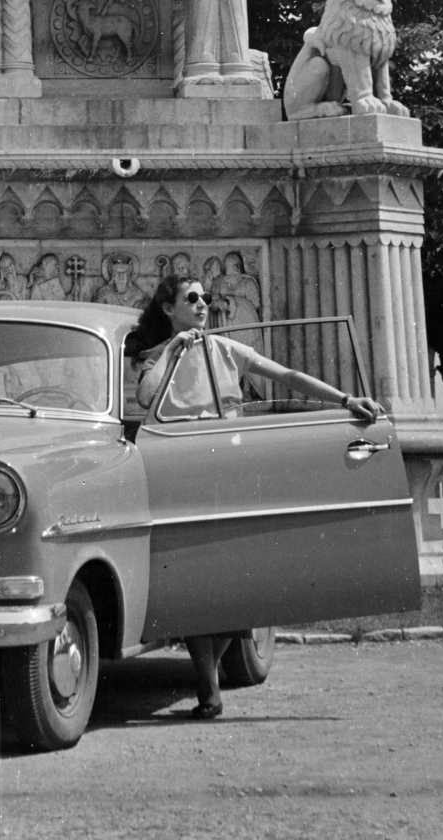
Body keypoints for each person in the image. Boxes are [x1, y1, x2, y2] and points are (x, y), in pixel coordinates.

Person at [128, 273, 383, 718]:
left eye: (206, 297)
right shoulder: (154, 356)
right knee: (194, 585)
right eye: (192, 298)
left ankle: (209, 683)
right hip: (182, 469)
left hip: (233, 468)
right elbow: (149, 395)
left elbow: (285, 374)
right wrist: (173, 349)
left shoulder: (225, 349)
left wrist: (345, 399)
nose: (203, 304)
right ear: (169, 308)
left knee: (245, 583)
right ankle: (208, 689)